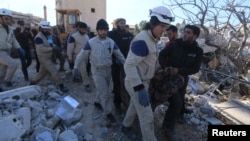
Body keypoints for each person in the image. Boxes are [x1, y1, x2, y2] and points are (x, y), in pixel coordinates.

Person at [121, 6, 174, 141]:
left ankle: (125, 126)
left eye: (165, 26)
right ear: (153, 23)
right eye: (161, 26)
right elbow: (129, 65)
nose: (164, 30)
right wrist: (139, 88)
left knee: (134, 106)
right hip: (136, 83)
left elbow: (147, 61)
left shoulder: (152, 38)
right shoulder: (143, 40)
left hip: (143, 81)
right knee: (147, 117)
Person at [73, 19, 125, 125]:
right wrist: (75, 67)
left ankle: (97, 102)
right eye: (101, 30)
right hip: (97, 71)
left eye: (105, 30)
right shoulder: (91, 42)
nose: (103, 32)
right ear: (97, 30)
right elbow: (81, 55)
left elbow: (119, 55)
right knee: (105, 93)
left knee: (104, 88)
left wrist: (126, 65)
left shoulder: (111, 42)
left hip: (108, 70)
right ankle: (109, 114)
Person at [158, 24, 203, 140]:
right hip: (169, 78)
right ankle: (168, 129)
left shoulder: (197, 50)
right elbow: (161, 55)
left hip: (183, 79)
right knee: (176, 102)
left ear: (195, 36)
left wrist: (179, 71)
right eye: (184, 32)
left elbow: (195, 68)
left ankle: (172, 121)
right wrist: (166, 69)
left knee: (179, 101)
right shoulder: (175, 44)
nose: (185, 34)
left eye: (188, 33)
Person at [30, 21, 68, 93]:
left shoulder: (48, 35)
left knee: (42, 73)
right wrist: (52, 49)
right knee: (54, 71)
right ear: (41, 28)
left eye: (48, 29)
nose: (47, 30)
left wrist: (55, 47)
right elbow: (41, 49)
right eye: (45, 29)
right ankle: (61, 86)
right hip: (43, 57)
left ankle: (33, 82)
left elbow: (51, 43)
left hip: (49, 56)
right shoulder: (38, 38)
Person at [107, 18, 134, 109]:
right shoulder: (111, 34)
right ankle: (117, 102)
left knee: (126, 82)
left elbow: (132, 48)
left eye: (124, 23)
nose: (123, 25)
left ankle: (126, 101)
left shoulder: (129, 35)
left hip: (127, 63)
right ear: (116, 24)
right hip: (115, 63)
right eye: (121, 23)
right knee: (116, 82)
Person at [0, 8, 25, 88]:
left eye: (9, 18)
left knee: (3, 68)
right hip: (0, 51)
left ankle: (1, 83)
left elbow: (13, 39)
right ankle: (7, 81)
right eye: (6, 18)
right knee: (13, 64)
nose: (8, 20)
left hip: (7, 51)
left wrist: (19, 48)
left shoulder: (10, 29)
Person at [67, 22, 91, 92]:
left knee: (83, 70)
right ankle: (87, 84)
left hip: (85, 56)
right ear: (79, 28)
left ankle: (75, 77)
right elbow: (70, 48)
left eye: (85, 29)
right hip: (77, 55)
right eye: (83, 29)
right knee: (83, 70)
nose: (84, 30)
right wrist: (70, 57)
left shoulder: (86, 36)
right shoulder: (73, 37)